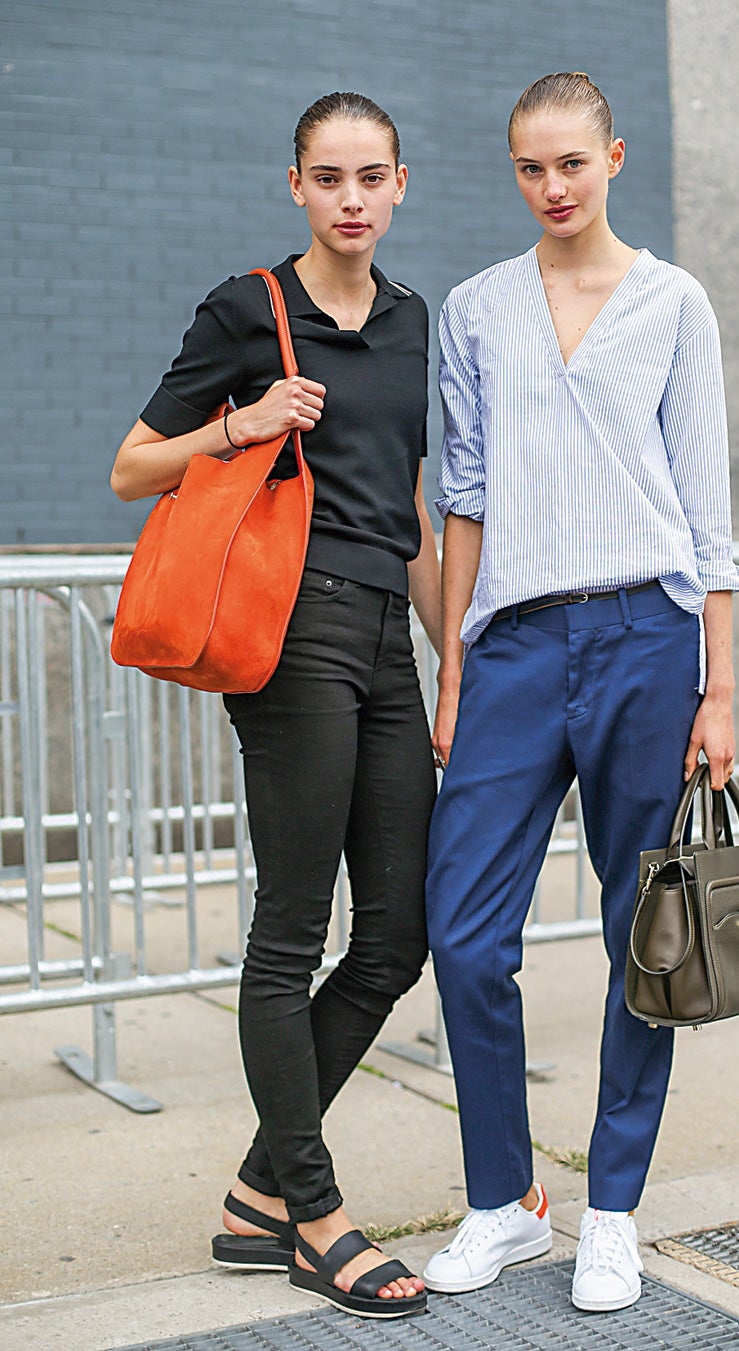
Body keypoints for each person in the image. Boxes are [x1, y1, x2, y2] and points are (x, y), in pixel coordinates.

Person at [110, 92, 441, 1321]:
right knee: (292, 930)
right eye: (328, 177)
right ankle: (315, 1213)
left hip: (387, 645)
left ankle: (259, 1191)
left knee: (398, 932)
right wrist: (238, 423)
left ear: (401, 184)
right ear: (294, 186)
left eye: (372, 177)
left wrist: (447, 655)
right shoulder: (248, 308)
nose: (351, 198)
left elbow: (405, 503)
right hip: (290, 638)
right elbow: (132, 461)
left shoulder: (413, 323)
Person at [423, 72, 739, 1313]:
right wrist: (452, 663)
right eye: (529, 167)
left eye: (572, 162)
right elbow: (464, 495)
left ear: (613, 156)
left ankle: (612, 1208)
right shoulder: (476, 309)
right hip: (509, 649)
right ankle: (503, 1200)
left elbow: (709, 519)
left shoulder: (673, 303)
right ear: (513, 172)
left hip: (646, 641)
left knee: (641, 934)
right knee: (463, 932)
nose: (553, 186)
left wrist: (718, 691)